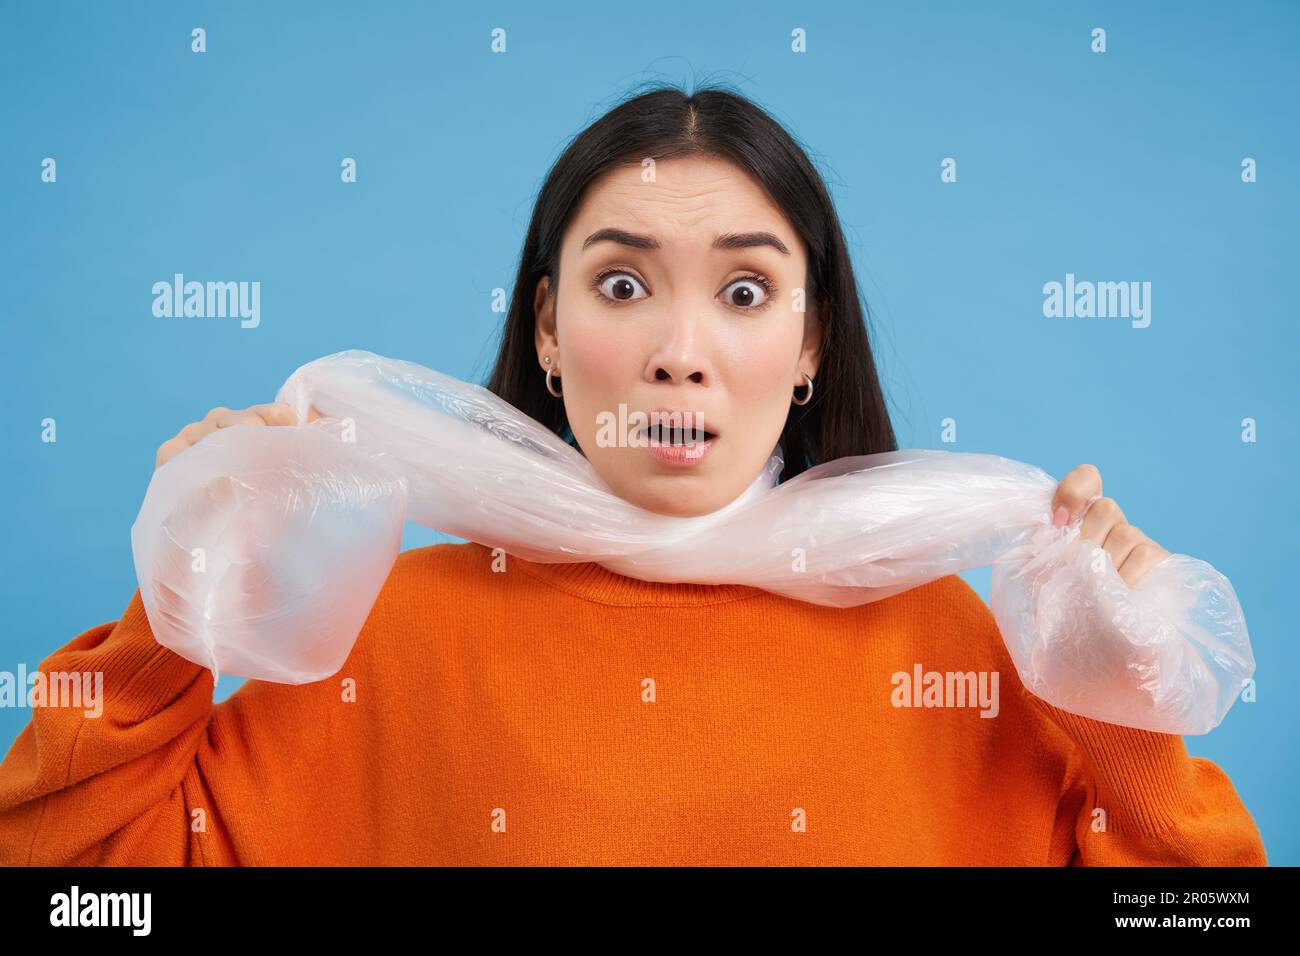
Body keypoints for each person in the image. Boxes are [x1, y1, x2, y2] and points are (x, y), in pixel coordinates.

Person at [0, 84, 1266, 866]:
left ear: (811, 340)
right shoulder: (385, 632)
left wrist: (1119, 698)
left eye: (745, 290)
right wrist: (178, 605)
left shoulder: (943, 639)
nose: (678, 353)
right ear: (548, 328)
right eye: (621, 284)